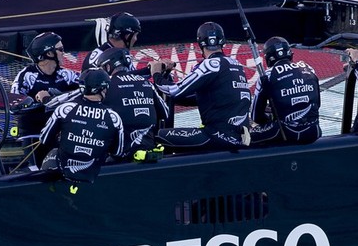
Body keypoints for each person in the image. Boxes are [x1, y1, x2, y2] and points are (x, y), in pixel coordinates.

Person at [155, 22, 251, 153]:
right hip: (238, 136)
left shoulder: (210, 64)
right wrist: (168, 75)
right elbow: (207, 98)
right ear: (222, 42)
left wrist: (156, 75)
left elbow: (174, 91)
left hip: (216, 135)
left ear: (200, 44)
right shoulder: (236, 64)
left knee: (158, 136)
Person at [38, 68, 124, 186]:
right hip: (94, 176)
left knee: (53, 152)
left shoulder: (65, 109)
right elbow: (117, 151)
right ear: (103, 88)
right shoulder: (114, 118)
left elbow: (44, 139)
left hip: (62, 172)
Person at [10, 31, 80, 169]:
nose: (64, 53)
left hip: (58, 134)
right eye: (60, 50)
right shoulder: (27, 76)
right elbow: (13, 106)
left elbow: (87, 89)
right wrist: (34, 101)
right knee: (35, 171)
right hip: (33, 135)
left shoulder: (66, 74)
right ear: (49, 53)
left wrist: (53, 97)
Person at [94, 46, 170, 160]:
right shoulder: (146, 83)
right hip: (149, 153)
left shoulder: (106, 86)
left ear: (108, 66)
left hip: (119, 157)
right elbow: (165, 112)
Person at [248, 36, 322, 145]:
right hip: (313, 130)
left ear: (268, 58)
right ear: (290, 53)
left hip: (287, 132)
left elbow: (256, 116)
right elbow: (317, 103)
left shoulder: (267, 76)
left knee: (245, 136)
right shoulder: (308, 68)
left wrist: (271, 116)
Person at [84, 11, 173, 79]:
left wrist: (158, 70)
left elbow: (131, 78)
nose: (136, 39)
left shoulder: (119, 53)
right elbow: (116, 79)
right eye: (135, 35)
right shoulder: (100, 55)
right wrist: (150, 70)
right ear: (127, 36)